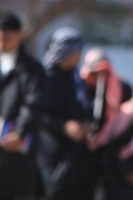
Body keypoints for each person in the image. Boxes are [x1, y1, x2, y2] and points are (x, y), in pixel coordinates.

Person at [37, 27, 95, 200]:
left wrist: (85, 124)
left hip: (77, 156)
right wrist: (63, 126)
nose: (79, 55)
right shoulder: (46, 78)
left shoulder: (77, 79)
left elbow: (84, 107)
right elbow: (38, 114)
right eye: (76, 51)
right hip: (52, 155)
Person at [0, 12, 45, 200]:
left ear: (19, 35)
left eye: (6, 38)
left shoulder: (32, 69)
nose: (2, 43)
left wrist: (19, 131)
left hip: (17, 149)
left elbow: (33, 103)